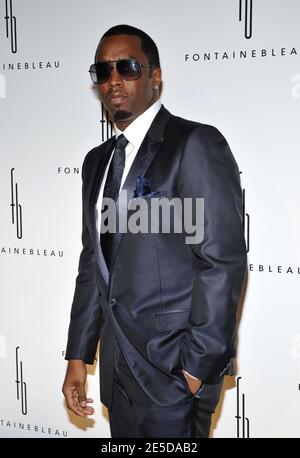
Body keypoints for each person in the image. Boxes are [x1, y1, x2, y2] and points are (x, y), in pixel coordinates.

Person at [62, 24, 247, 438]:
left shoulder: (193, 144)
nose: (113, 80)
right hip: (117, 372)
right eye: (102, 70)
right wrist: (78, 355)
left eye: (127, 67)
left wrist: (196, 367)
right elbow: (95, 264)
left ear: (155, 76)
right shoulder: (97, 163)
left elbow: (221, 262)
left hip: (174, 377)